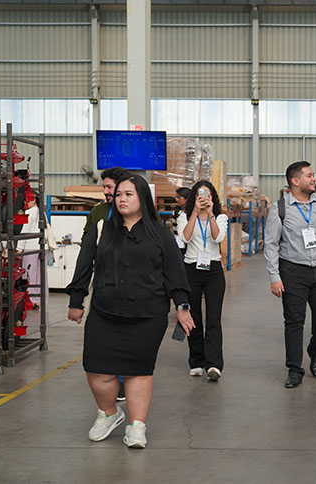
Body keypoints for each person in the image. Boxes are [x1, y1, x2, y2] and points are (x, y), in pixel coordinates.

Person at [66, 173, 195, 449]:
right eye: (118, 194)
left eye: (128, 194)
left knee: (139, 372)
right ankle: (109, 413)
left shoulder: (159, 233)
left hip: (147, 315)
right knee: (97, 370)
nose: (121, 199)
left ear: (142, 198)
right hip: (104, 313)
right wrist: (76, 300)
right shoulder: (101, 229)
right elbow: (84, 264)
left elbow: (174, 273)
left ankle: (137, 426)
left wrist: (182, 307)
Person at [264, 161, 316, 389]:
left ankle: (315, 352)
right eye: (309, 175)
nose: (314, 179)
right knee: (294, 321)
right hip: (293, 272)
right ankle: (294, 369)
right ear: (295, 181)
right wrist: (274, 277)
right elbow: (271, 244)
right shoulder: (280, 208)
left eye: (313, 175)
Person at [82, 166, 131, 402]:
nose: (105, 191)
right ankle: (111, 377)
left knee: (125, 333)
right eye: (104, 187)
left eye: (109, 187)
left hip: (130, 283)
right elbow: (86, 246)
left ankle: (122, 380)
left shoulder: (136, 212)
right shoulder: (98, 213)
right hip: (102, 282)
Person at [178, 181, 228, 382]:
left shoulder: (221, 217)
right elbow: (185, 238)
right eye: (200, 195)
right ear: (194, 197)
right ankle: (196, 361)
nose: (204, 198)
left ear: (212, 197)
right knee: (194, 317)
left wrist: (211, 214)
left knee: (213, 318)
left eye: (207, 195)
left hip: (213, 270)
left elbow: (217, 238)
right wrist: (194, 213)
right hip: (191, 268)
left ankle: (214, 364)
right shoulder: (183, 216)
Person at [172, 186, 192, 258]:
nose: (176, 200)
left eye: (179, 197)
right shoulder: (176, 212)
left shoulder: (194, 212)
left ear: (187, 199)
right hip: (180, 243)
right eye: (176, 197)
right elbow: (175, 229)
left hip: (191, 244)